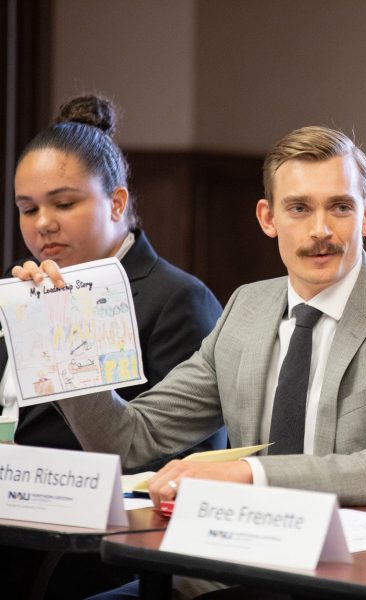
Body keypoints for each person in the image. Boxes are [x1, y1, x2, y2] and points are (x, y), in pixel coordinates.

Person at [20, 125, 366, 597]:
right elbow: (130, 439)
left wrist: (246, 474)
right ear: (267, 218)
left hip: (354, 577)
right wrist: (60, 336)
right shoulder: (246, 309)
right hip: (239, 565)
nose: (320, 230)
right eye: (299, 208)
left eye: (340, 207)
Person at [0, 95, 226, 600]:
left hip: (93, 548)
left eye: (64, 203)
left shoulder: (177, 298)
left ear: (117, 203)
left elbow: (182, 463)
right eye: (27, 209)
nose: (43, 224)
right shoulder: (20, 291)